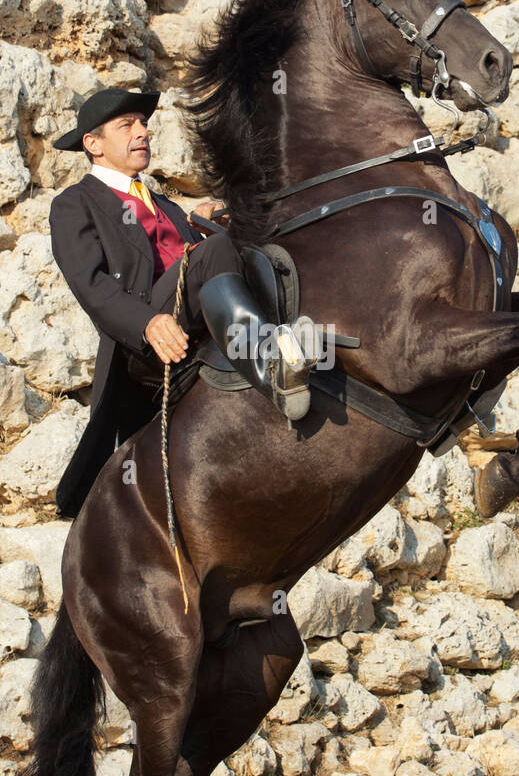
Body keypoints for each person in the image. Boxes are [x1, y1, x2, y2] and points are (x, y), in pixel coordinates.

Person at [49, 87, 319, 517]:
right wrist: (147, 323)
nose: (143, 132)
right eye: (128, 126)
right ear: (93, 144)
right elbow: (92, 285)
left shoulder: (163, 205)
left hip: (193, 320)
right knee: (214, 251)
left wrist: (201, 226)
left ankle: (298, 336)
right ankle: (269, 358)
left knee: (254, 247)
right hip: (145, 343)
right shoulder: (75, 204)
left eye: (143, 124)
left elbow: (191, 263)